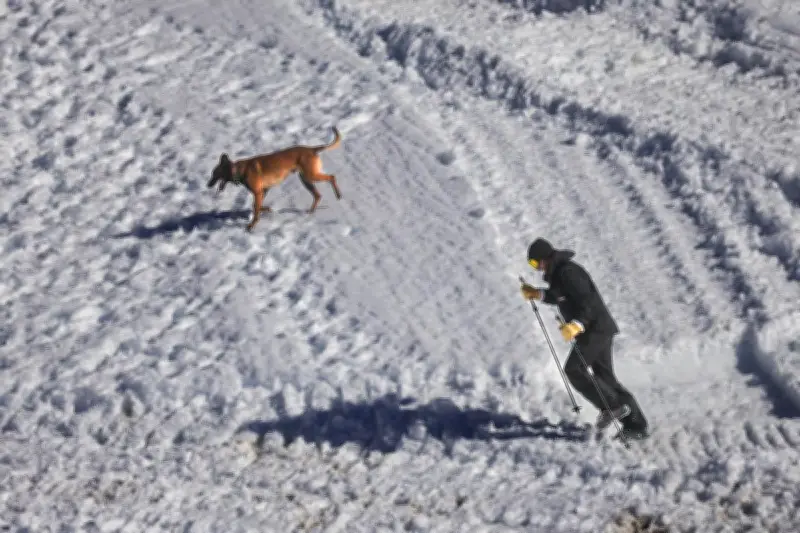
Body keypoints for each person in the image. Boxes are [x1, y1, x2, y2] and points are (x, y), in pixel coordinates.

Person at [520, 237, 649, 439]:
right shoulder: (559, 275)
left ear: (546, 257)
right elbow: (559, 296)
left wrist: (577, 324)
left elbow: (588, 302)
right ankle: (636, 426)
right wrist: (538, 294)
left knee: (573, 369)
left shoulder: (568, 272)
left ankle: (613, 407)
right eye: (532, 265)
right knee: (606, 378)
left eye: (536, 263)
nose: (536, 268)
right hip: (597, 329)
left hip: (595, 328)